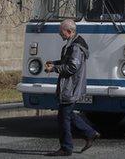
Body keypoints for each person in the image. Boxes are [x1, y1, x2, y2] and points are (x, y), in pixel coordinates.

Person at [44, 19, 99, 156]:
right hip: (70, 86)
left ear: (69, 31)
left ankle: (66, 148)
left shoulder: (75, 47)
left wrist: (54, 69)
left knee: (63, 117)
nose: (59, 34)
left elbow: (72, 67)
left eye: (61, 31)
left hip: (71, 87)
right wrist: (55, 63)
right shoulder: (72, 45)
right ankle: (90, 133)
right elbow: (67, 62)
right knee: (67, 115)